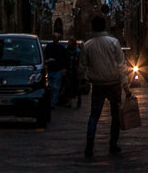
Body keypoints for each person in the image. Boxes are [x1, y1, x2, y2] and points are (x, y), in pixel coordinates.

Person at [81, 15, 131, 158]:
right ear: (105, 26)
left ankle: (89, 145)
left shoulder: (87, 45)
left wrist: (85, 79)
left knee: (94, 116)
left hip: (98, 84)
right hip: (113, 83)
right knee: (115, 116)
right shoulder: (114, 42)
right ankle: (113, 144)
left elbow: (83, 66)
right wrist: (126, 87)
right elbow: (121, 66)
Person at [44, 32, 69, 108]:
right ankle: (52, 101)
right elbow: (45, 56)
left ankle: (53, 102)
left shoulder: (61, 48)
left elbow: (65, 58)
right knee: (51, 87)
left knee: (55, 87)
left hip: (57, 69)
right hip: (51, 69)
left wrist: (64, 68)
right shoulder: (49, 47)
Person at [65, 36, 82, 108]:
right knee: (68, 86)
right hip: (69, 71)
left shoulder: (77, 51)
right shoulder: (66, 50)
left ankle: (79, 99)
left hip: (75, 71)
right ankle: (69, 102)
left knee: (77, 87)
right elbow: (65, 60)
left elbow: (80, 62)